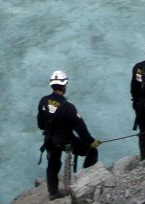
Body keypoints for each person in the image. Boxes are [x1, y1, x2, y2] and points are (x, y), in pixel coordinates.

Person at [37, 70, 98, 199]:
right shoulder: (69, 107)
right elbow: (82, 131)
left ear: (52, 85)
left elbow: (40, 124)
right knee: (92, 152)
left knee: (53, 164)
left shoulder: (43, 101)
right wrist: (92, 141)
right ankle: (84, 183)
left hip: (50, 140)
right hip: (66, 141)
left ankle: (53, 192)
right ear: (64, 86)